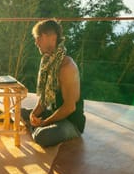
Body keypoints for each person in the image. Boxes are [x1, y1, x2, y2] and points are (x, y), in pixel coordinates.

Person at [22, 19, 86, 147]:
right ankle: (34, 125)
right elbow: (44, 100)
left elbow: (69, 107)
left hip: (70, 122)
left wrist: (43, 122)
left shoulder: (67, 67)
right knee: (18, 112)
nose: (36, 43)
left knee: (42, 136)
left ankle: (35, 128)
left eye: (38, 38)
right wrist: (33, 114)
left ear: (51, 38)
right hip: (52, 114)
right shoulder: (47, 62)